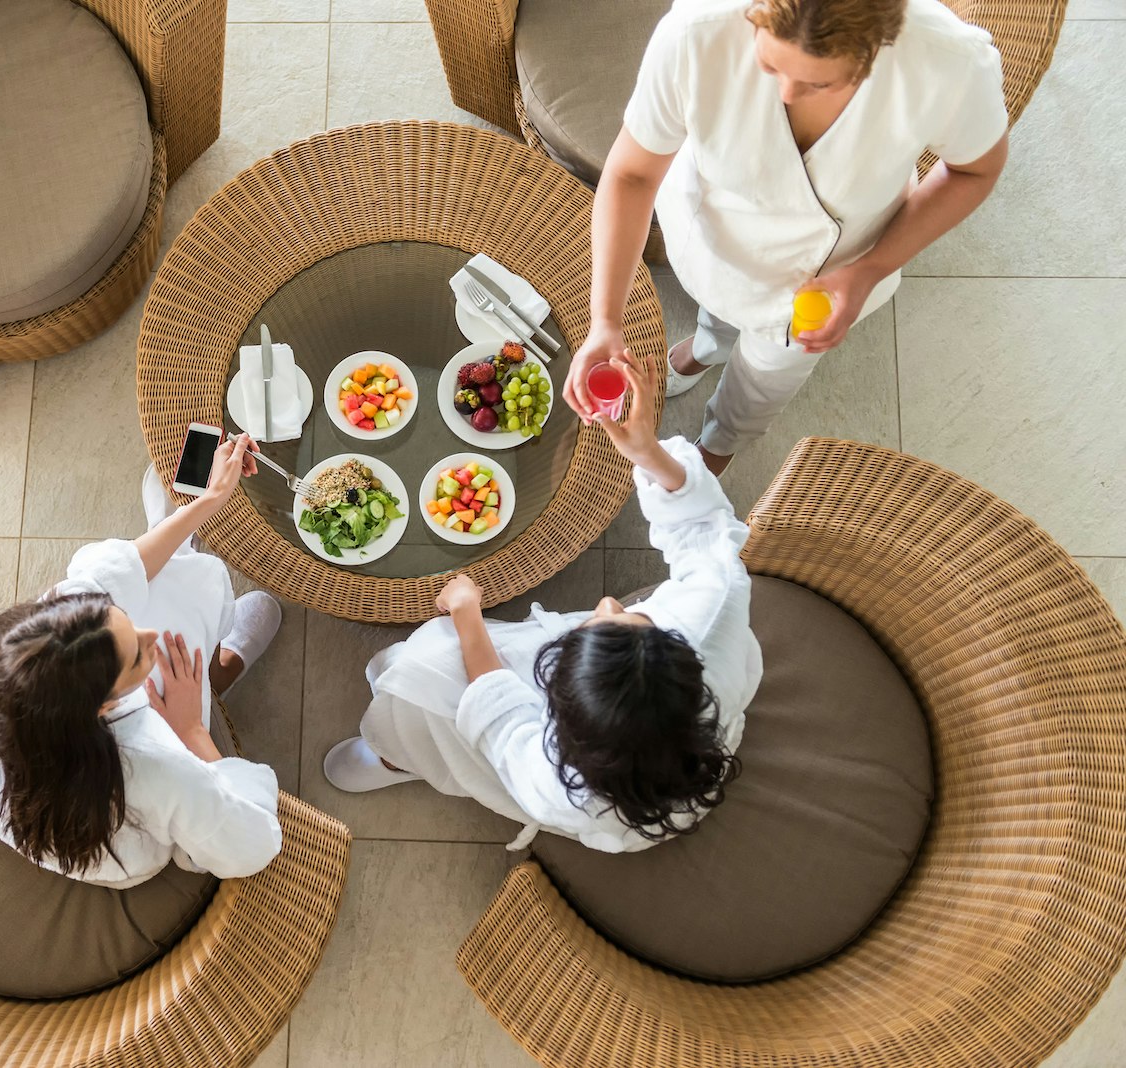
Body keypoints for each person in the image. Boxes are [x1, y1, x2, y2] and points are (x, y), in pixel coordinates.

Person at [324, 358, 761, 851]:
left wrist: (467, 612)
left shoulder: (555, 781)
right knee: (428, 665)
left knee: (424, 668)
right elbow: (704, 529)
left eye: (600, 621)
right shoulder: (713, 613)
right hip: (661, 744)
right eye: (635, 618)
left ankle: (394, 755)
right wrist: (647, 452)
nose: (609, 600)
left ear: (560, 711)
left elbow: (496, 709)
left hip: (582, 783)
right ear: (684, 654)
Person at [566, 0, 1009, 474]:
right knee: (716, 308)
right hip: (717, 238)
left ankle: (722, 439)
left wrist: (870, 270)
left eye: (820, 83)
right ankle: (707, 347)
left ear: (879, 49)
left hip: (835, 270)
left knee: (766, 378)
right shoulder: (694, 33)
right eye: (769, 64)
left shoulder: (950, 64)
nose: (789, 94)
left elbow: (975, 172)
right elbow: (632, 175)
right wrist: (605, 321)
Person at [0, 435, 286, 888]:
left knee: (143, 586)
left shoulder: (17, 676)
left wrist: (210, 500)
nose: (147, 636)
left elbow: (99, 583)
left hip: (74, 766)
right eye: (136, 657)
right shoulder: (152, 764)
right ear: (102, 707)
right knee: (185, 622)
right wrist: (189, 729)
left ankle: (177, 538)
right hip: (129, 848)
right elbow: (251, 844)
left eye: (127, 625)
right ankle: (220, 667)